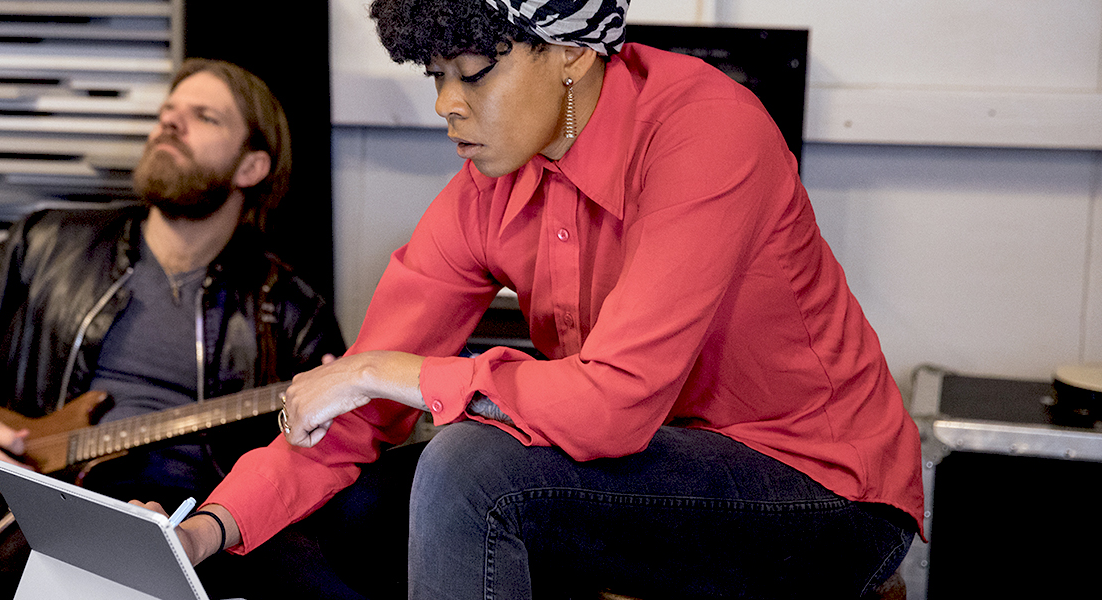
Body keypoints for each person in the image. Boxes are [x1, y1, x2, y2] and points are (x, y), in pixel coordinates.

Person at [169, 1, 927, 599]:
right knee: (331, 522)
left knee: (470, 471)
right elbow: (351, 419)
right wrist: (202, 531)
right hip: (636, 474)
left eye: (472, 73)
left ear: (568, 51)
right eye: (436, 75)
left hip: (824, 497)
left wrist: (385, 371)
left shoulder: (706, 131)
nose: (446, 105)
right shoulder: (485, 191)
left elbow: (615, 404)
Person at [0, 58, 347, 600]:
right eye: (167, 112)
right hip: (51, 505)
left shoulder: (293, 309)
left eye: (203, 116)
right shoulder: (48, 243)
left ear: (251, 167)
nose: (170, 123)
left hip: (200, 518)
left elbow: (325, 463)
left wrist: (345, 401)